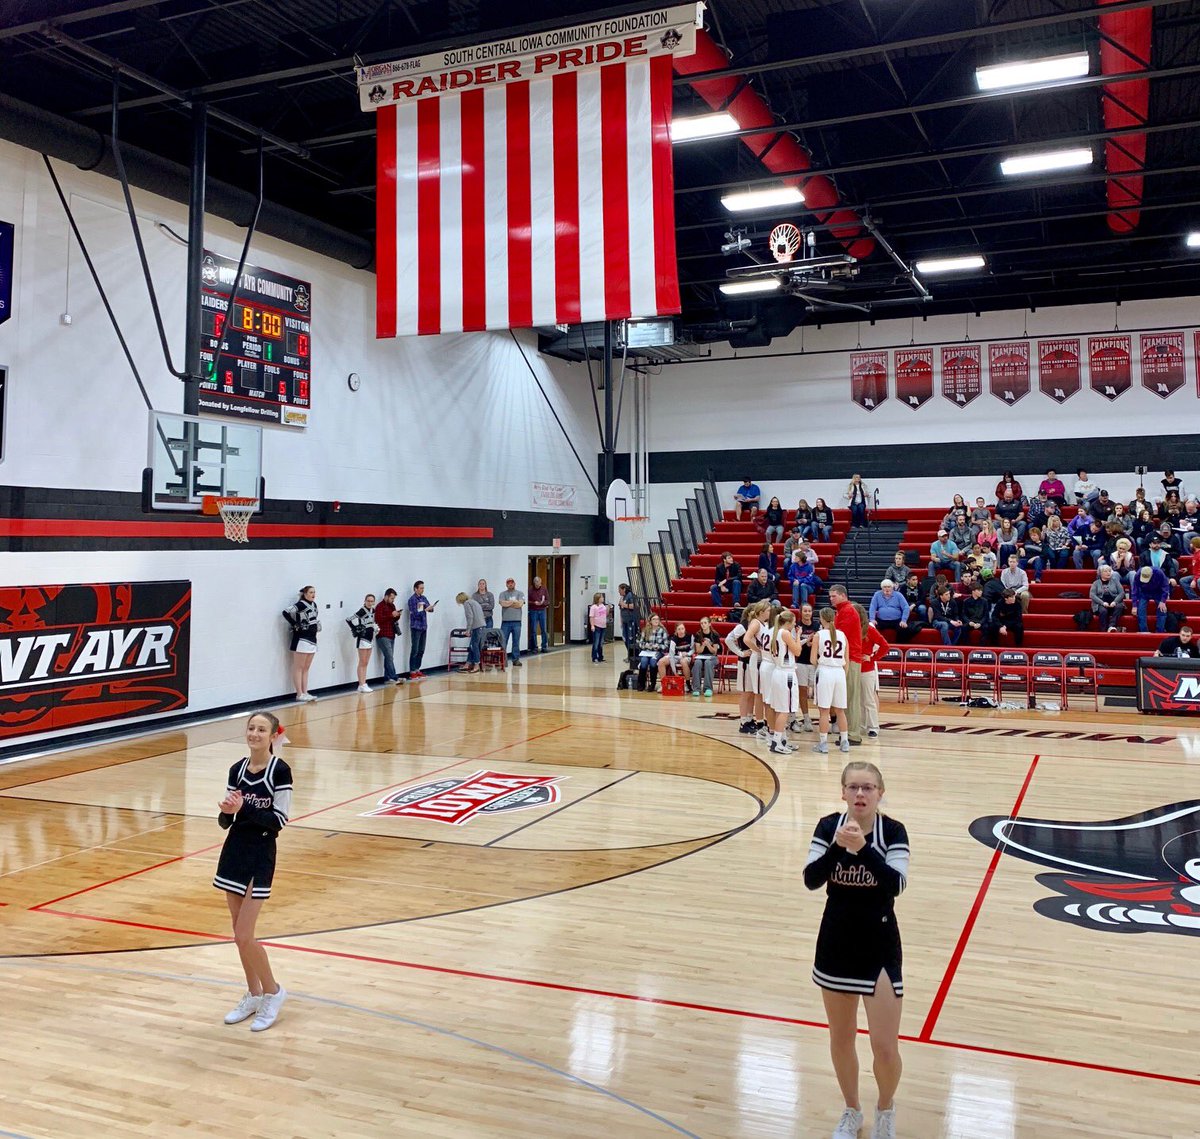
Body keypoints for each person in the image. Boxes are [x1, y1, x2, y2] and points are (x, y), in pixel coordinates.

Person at [804, 761, 909, 1139]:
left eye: (868, 788)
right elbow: (811, 879)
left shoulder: (893, 831)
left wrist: (863, 850)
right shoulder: (827, 827)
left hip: (879, 944)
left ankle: (885, 1108)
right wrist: (838, 848)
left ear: (880, 793)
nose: (860, 794)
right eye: (853, 787)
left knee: (885, 1047)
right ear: (843, 793)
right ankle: (852, 1110)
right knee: (841, 1037)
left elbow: (895, 885)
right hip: (836, 942)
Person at [214, 710, 292, 1033]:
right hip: (234, 851)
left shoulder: (280, 771)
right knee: (238, 934)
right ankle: (254, 993)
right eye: (251, 728)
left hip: (261, 853)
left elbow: (278, 821)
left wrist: (243, 807)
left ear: (273, 736)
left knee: (245, 934)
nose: (255, 734)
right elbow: (226, 822)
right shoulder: (237, 769)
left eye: (261, 730)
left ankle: (273, 991)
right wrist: (226, 812)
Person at [810, 606, 850, 754]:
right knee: (840, 711)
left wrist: (822, 664)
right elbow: (847, 660)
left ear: (821, 619)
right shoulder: (843, 635)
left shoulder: (819, 635)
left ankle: (823, 744)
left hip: (825, 672)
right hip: (839, 673)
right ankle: (844, 742)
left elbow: (813, 659)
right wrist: (843, 674)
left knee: (824, 711)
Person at [766, 609, 804, 756]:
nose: (795, 624)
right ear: (788, 622)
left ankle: (781, 740)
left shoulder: (774, 632)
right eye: (793, 622)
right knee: (784, 710)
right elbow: (798, 651)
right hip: (786, 673)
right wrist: (798, 635)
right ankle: (776, 742)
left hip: (777, 671)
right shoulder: (785, 633)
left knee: (779, 709)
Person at [829, 584, 864, 746]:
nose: (831, 599)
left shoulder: (848, 611)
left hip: (851, 659)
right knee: (847, 697)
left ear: (843, 595)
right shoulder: (842, 611)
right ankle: (849, 732)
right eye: (830, 596)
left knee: (851, 698)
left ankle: (854, 734)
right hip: (847, 658)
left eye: (834, 596)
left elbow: (840, 636)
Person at [855, 603, 889, 740]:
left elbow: (885, 646)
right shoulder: (850, 628)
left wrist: (872, 657)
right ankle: (862, 726)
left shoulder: (869, 629)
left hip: (867, 670)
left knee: (868, 700)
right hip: (853, 668)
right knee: (858, 700)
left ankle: (874, 727)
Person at [281, 585, 320, 702]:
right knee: (299, 667)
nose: (313, 594)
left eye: (314, 592)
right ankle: (299, 693)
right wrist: (294, 624)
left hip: (312, 638)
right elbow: (286, 612)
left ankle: (305, 692)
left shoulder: (314, 605)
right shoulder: (301, 604)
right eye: (311, 592)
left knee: (306, 668)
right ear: (305, 594)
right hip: (302, 639)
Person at [725, 605, 759, 733]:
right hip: (745, 663)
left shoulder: (756, 625)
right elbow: (728, 639)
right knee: (745, 693)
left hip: (754, 663)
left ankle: (749, 719)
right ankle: (743, 722)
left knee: (752, 693)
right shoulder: (742, 626)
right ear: (749, 613)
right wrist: (740, 653)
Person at [347, 593, 377, 692]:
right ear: (365, 601)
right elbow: (348, 619)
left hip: (370, 638)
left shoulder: (373, 610)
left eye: (372, 601)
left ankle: (364, 683)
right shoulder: (362, 611)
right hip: (363, 638)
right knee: (362, 662)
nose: (370, 603)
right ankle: (361, 684)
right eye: (368, 601)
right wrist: (355, 628)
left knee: (366, 662)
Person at [406, 581, 437, 679]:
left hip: (423, 626)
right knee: (415, 649)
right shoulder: (412, 599)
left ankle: (417, 669)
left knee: (421, 649)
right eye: (421, 588)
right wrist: (425, 610)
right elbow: (415, 614)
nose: (422, 590)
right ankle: (412, 670)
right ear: (415, 589)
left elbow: (429, 609)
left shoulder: (423, 598)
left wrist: (430, 608)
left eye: (423, 588)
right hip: (416, 627)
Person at [373, 588, 403, 686]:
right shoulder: (379, 606)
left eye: (393, 599)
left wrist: (397, 615)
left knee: (388, 657)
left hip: (391, 634)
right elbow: (378, 619)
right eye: (391, 598)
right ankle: (394, 677)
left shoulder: (392, 606)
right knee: (389, 656)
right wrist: (391, 615)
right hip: (383, 634)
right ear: (386, 596)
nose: (393, 600)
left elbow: (393, 619)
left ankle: (388, 678)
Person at [1132, 564, 1169, 633]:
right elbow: (1135, 590)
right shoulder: (1137, 575)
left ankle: (1160, 631)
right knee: (1140, 610)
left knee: (1162, 610)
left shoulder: (1159, 573)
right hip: (1144, 593)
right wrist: (1134, 605)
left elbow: (1165, 586)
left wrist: (1163, 601)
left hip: (1158, 592)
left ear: (1152, 574)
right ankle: (1144, 632)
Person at [636, 613, 668, 691]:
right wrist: (646, 645)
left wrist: (658, 646)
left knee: (653, 662)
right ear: (650, 621)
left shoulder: (662, 631)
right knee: (644, 661)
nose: (656, 621)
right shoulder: (645, 630)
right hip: (647, 651)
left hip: (658, 652)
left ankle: (652, 684)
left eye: (657, 619)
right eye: (654, 619)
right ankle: (641, 683)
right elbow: (640, 643)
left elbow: (666, 645)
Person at [1089, 565, 1125, 632]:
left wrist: (1115, 602)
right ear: (1100, 573)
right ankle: (1103, 630)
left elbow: (1122, 593)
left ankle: (1111, 626)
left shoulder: (1115, 581)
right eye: (1105, 571)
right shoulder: (1096, 583)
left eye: (1109, 571)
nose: (1108, 573)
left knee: (1119, 606)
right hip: (1101, 603)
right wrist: (1102, 603)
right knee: (1103, 611)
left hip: (1114, 602)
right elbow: (1092, 595)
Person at [455, 591, 486, 672]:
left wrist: (468, 630)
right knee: (472, 646)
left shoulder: (467, 603)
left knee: (474, 646)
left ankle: (476, 665)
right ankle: (468, 663)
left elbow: (470, 617)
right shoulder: (474, 602)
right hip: (481, 626)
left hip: (477, 627)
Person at [691, 616, 721, 697]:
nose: (703, 625)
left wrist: (708, 645)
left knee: (708, 663)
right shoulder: (698, 634)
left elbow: (714, 652)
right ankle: (696, 688)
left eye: (705, 623)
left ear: (709, 624)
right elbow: (698, 651)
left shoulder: (715, 634)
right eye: (701, 623)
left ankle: (708, 688)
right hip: (701, 656)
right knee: (697, 663)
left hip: (712, 657)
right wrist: (703, 645)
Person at [498, 578, 525, 666]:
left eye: (512, 583)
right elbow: (502, 603)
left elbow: (520, 604)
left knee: (516, 641)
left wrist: (508, 603)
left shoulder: (520, 593)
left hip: (517, 622)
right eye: (508, 583)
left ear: (514, 584)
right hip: (505, 622)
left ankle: (515, 659)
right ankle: (502, 660)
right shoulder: (502, 594)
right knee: (503, 641)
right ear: (506, 584)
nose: (510, 584)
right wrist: (513, 602)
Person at [666, 621, 693, 688]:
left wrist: (687, 654)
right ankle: (664, 684)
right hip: (676, 657)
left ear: (685, 629)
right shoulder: (673, 639)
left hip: (687, 656)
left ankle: (688, 684)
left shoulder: (690, 636)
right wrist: (675, 672)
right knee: (661, 662)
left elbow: (693, 649)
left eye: (682, 629)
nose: (681, 631)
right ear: (676, 630)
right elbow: (671, 655)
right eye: (679, 629)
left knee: (683, 661)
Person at [617, 583, 639, 660]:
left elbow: (634, 606)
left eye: (620, 590)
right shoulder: (622, 597)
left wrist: (624, 604)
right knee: (625, 638)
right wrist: (621, 621)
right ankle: (629, 655)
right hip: (625, 621)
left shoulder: (630, 595)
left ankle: (632, 656)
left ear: (624, 589)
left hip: (631, 620)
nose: (618, 592)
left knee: (631, 639)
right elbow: (621, 609)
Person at [528, 576, 550, 652]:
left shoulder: (544, 589)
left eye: (538, 583)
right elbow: (527, 601)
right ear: (534, 583)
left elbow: (548, 600)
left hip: (542, 610)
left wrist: (542, 603)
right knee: (533, 630)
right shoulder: (530, 590)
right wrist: (534, 603)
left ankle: (544, 646)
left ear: (541, 582)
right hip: (533, 611)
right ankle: (534, 647)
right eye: (536, 583)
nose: (537, 585)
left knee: (544, 629)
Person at [587, 592, 607, 663]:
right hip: (597, 626)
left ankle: (600, 657)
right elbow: (591, 617)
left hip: (603, 626)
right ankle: (594, 657)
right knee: (596, 642)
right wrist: (592, 625)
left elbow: (605, 614)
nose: (603, 598)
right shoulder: (593, 607)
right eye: (601, 597)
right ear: (598, 599)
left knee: (601, 642)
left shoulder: (603, 606)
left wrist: (608, 609)